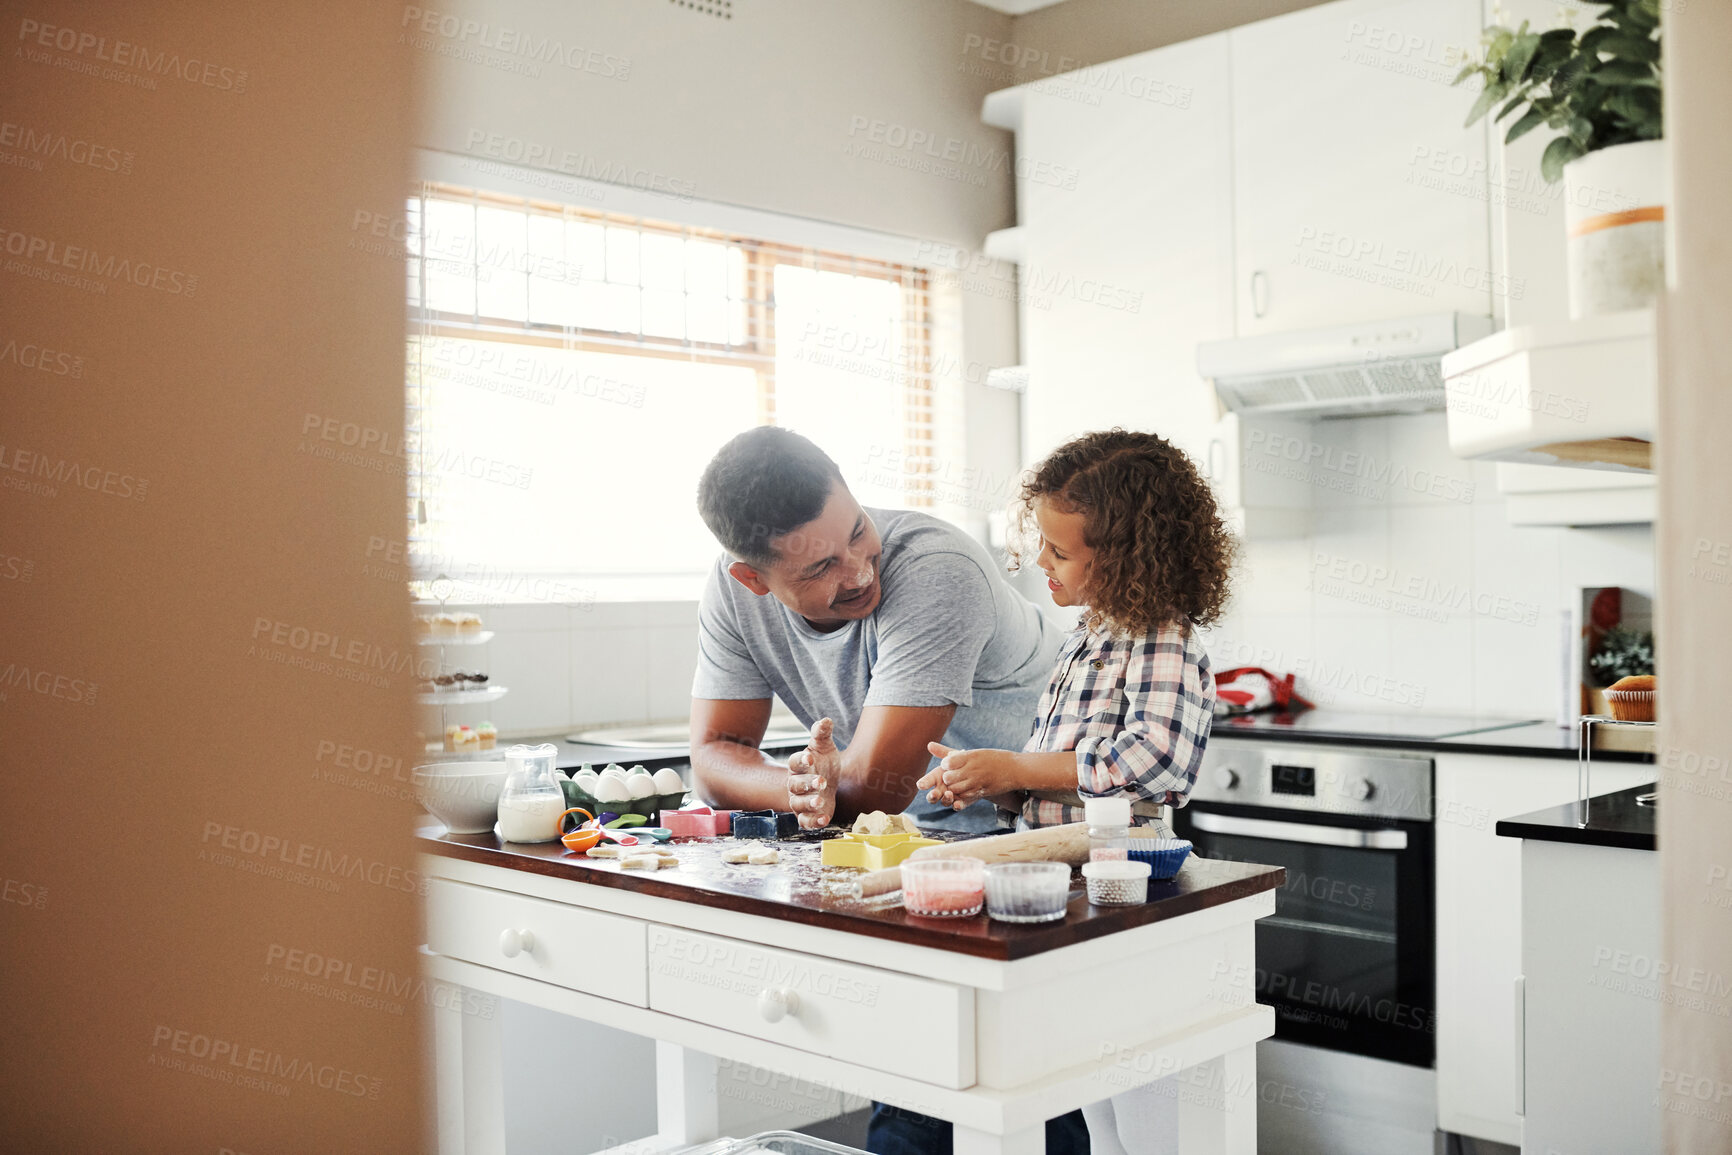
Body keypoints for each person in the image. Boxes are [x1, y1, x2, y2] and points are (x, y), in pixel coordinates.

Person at [688, 427, 1089, 1155]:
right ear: (754, 577)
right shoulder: (731, 592)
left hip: (1039, 832)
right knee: (926, 1090)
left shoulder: (935, 568)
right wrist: (797, 785)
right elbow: (712, 757)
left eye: (858, 530)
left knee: (1003, 1092)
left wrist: (812, 788)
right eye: (822, 566)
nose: (859, 568)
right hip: (920, 848)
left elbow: (875, 786)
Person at [917, 429, 1234, 1155]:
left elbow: (1155, 760)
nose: (1040, 563)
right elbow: (1057, 763)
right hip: (1080, 891)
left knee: (1147, 1091)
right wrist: (992, 784)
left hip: (1132, 890)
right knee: (1097, 1093)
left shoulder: (1162, 637)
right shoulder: (1087, 636)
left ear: (1122, 558)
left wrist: (1019, 770)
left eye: (1059, 552)